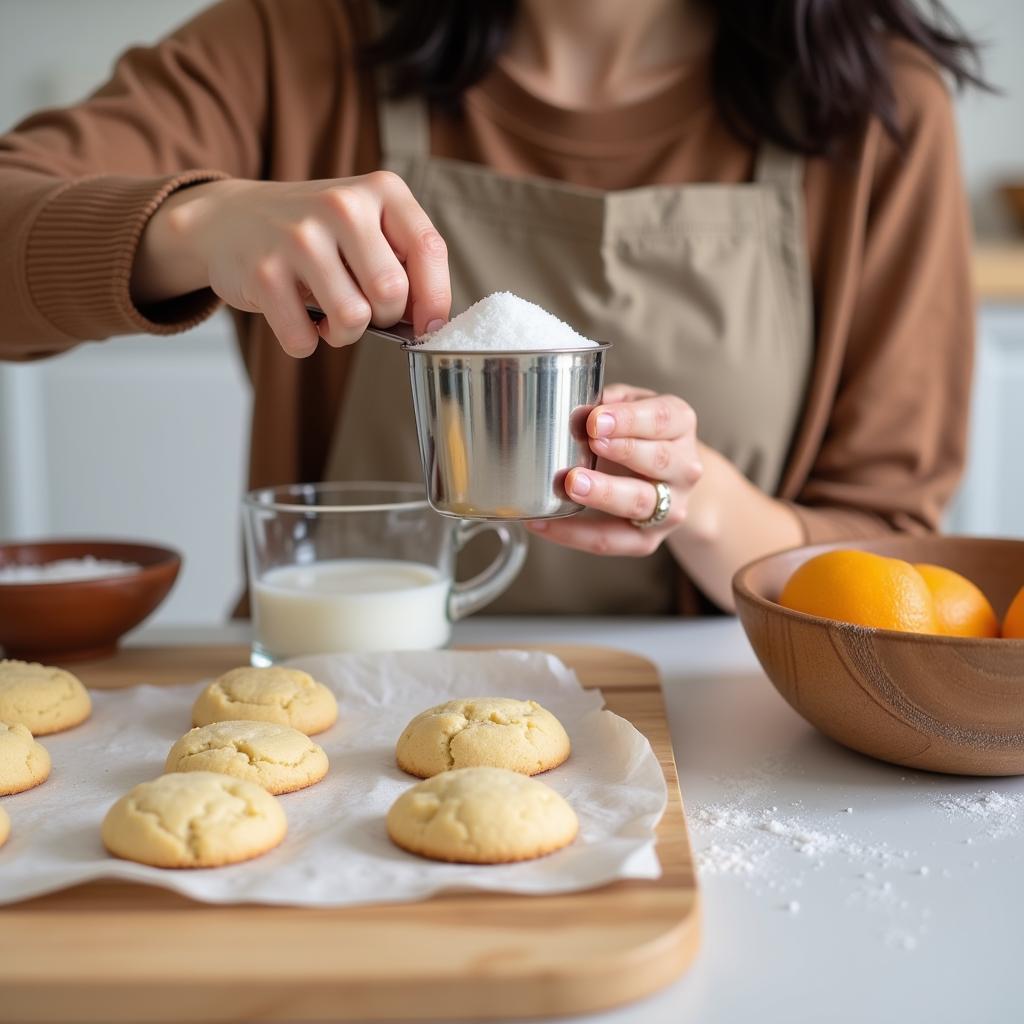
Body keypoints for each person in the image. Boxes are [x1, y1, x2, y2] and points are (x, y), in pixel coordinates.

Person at [0, 0, 985, 615]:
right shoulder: (294, 40)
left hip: (715, 731)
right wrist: (197, 223)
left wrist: (701, 502)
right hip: (340, 695)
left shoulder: (877, 112)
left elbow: (888, 561)